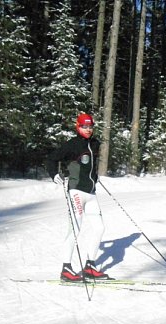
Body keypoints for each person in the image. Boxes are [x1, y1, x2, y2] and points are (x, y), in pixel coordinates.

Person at [46, 113, 108, 281]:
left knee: (99, 228)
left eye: (90, 126)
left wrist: (94, 177)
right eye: (84, 126)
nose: (88, 129)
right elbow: (51, 159)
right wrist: (53, 174)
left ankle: (89, 267)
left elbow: (89, 166)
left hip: (91, 193)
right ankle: (66, 269)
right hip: (76, 191)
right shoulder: (72, 145)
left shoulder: (94, 143)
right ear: (78, 127)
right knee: (75, 229)